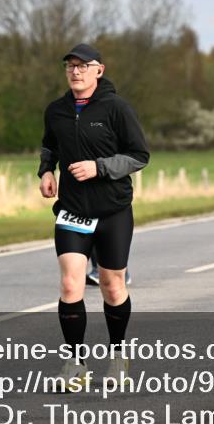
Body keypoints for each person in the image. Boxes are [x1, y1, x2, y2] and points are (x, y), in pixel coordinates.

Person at [38, 43, 150, 391]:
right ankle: (76, 364)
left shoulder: (116, 108)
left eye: (83, 66)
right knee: (70, 284)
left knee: (112, 286)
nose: (76, 71)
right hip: (73, 210)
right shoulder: (56, 110)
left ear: (99, 71)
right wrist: (46, 170)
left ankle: (118, 355)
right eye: (70, 66)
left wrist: (99, 167)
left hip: (113, 211)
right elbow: (50, 145)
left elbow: (139, 155)